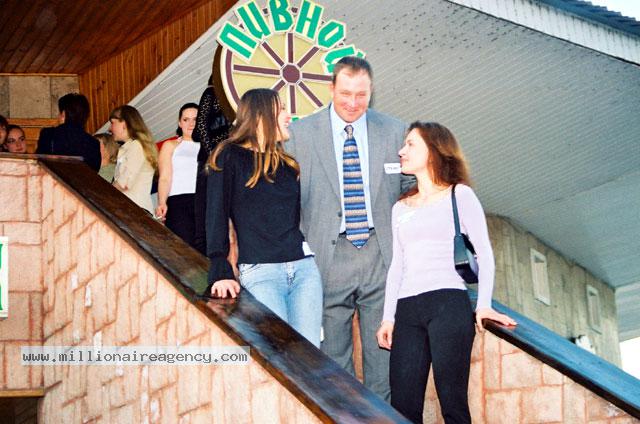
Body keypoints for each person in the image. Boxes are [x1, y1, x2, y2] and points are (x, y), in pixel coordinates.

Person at [286, 56, 412, 399]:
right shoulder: (298, 135)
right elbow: (285, 198)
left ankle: (380, 417)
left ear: (372, 91)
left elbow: (411, 188)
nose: (353, 103)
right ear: (331, 89)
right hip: (325, 258)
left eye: (361, 95)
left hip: (380, 256)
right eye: (345, 94)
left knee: (383, 355)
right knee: (332, 358)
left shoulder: (396, 131)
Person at [375, 122, 517, 423]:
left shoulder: (459, 195)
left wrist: (483, 304)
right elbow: (397, 265)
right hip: (407, 309)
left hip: (448, 304)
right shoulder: (400, 208)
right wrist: (388, 317)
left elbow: (484, 253)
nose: (401, 151)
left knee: (453, 404)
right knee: (402, 408)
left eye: (410, 144)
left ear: (433, 150)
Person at [206, 88, 323, 347]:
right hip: (261, 272)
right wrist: (220, 269)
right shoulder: (228, 156)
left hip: (304, 270)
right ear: (261, 115)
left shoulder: (288, 165)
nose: (289, 116)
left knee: (310, 355)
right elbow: (216, 215)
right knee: (277, 356)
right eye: (282, 109)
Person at [192, 75, 232, 255]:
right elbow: (201, 126)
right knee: (207, 204)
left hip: (228, 157)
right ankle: (206, 251)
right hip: (212, 157)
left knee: (224, 205)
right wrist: (211, 156)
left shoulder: (232, 98)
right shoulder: (211, 93)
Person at [155, 103, 200, 247]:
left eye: (195, 119)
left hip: (203, 201)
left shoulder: (209, 147)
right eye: (186, 119)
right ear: (180, 123)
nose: (191, 123)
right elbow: (164, 177)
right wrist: (162, 202)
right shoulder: (171, 145)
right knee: (183, 247)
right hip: (178, 202)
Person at [109, 105, 157, 213]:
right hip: (129, 209)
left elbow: (124, 183)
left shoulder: (136, 146)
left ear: (124, 123)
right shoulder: (129, 147)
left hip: (135, 211)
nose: (110, 129)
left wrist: (104, 194)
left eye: (112, 123)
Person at [36, 93, 101, 171]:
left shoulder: (48, 134)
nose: (58, 116)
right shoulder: (94, 143)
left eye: (59, 113)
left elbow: (40, 164)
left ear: (63, 114)